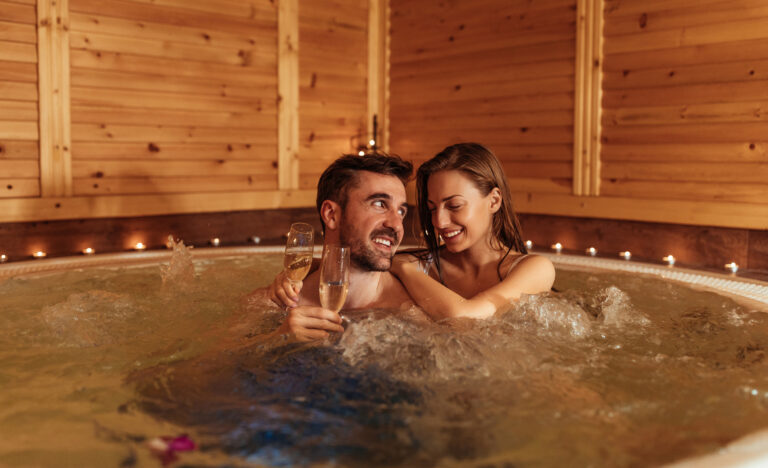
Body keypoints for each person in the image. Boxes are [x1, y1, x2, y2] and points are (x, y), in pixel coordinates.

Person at [389, 142, 555, 320]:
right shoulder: (417, 265)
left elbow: (466, 319)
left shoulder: (535, 269)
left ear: (494, 201)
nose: (439, 222)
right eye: (432, 209)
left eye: (454, 206)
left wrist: (402, 268)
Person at [268, 153, 414, 341]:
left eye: (401, 211)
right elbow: (226, 364)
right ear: (331, 215)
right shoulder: (276, 302)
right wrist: (278, 338)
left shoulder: (410, 311)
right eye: (380, 204)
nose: (396, 224)